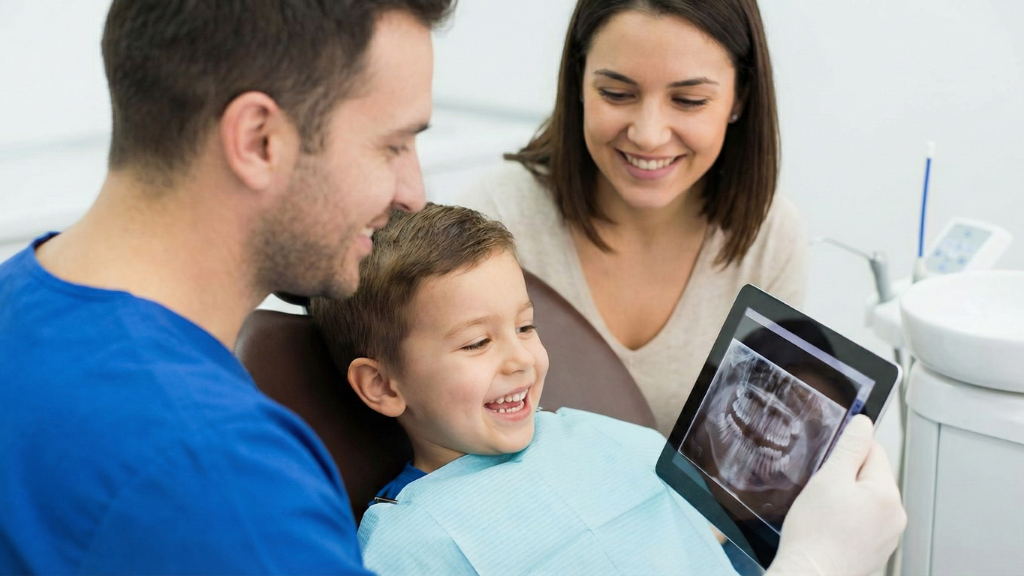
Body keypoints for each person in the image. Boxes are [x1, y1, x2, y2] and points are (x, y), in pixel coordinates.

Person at [0, 0, 452, 572]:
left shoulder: (19, 301)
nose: (412, 192)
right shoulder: (229, 481)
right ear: (259, 139)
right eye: (392, 145)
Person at [308, 203, 906, 576]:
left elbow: (706, 532)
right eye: (475, 343)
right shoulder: (410, 544)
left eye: (524, 326)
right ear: (383, 385)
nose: (520, 358)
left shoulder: (598, 437)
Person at [459, 0, 806, 437]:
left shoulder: (770, 239)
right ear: (579, 82)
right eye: (617, 93)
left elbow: (747, 457)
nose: (648, 134)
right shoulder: (498, 216)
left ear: (740, 98)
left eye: (689, 100)